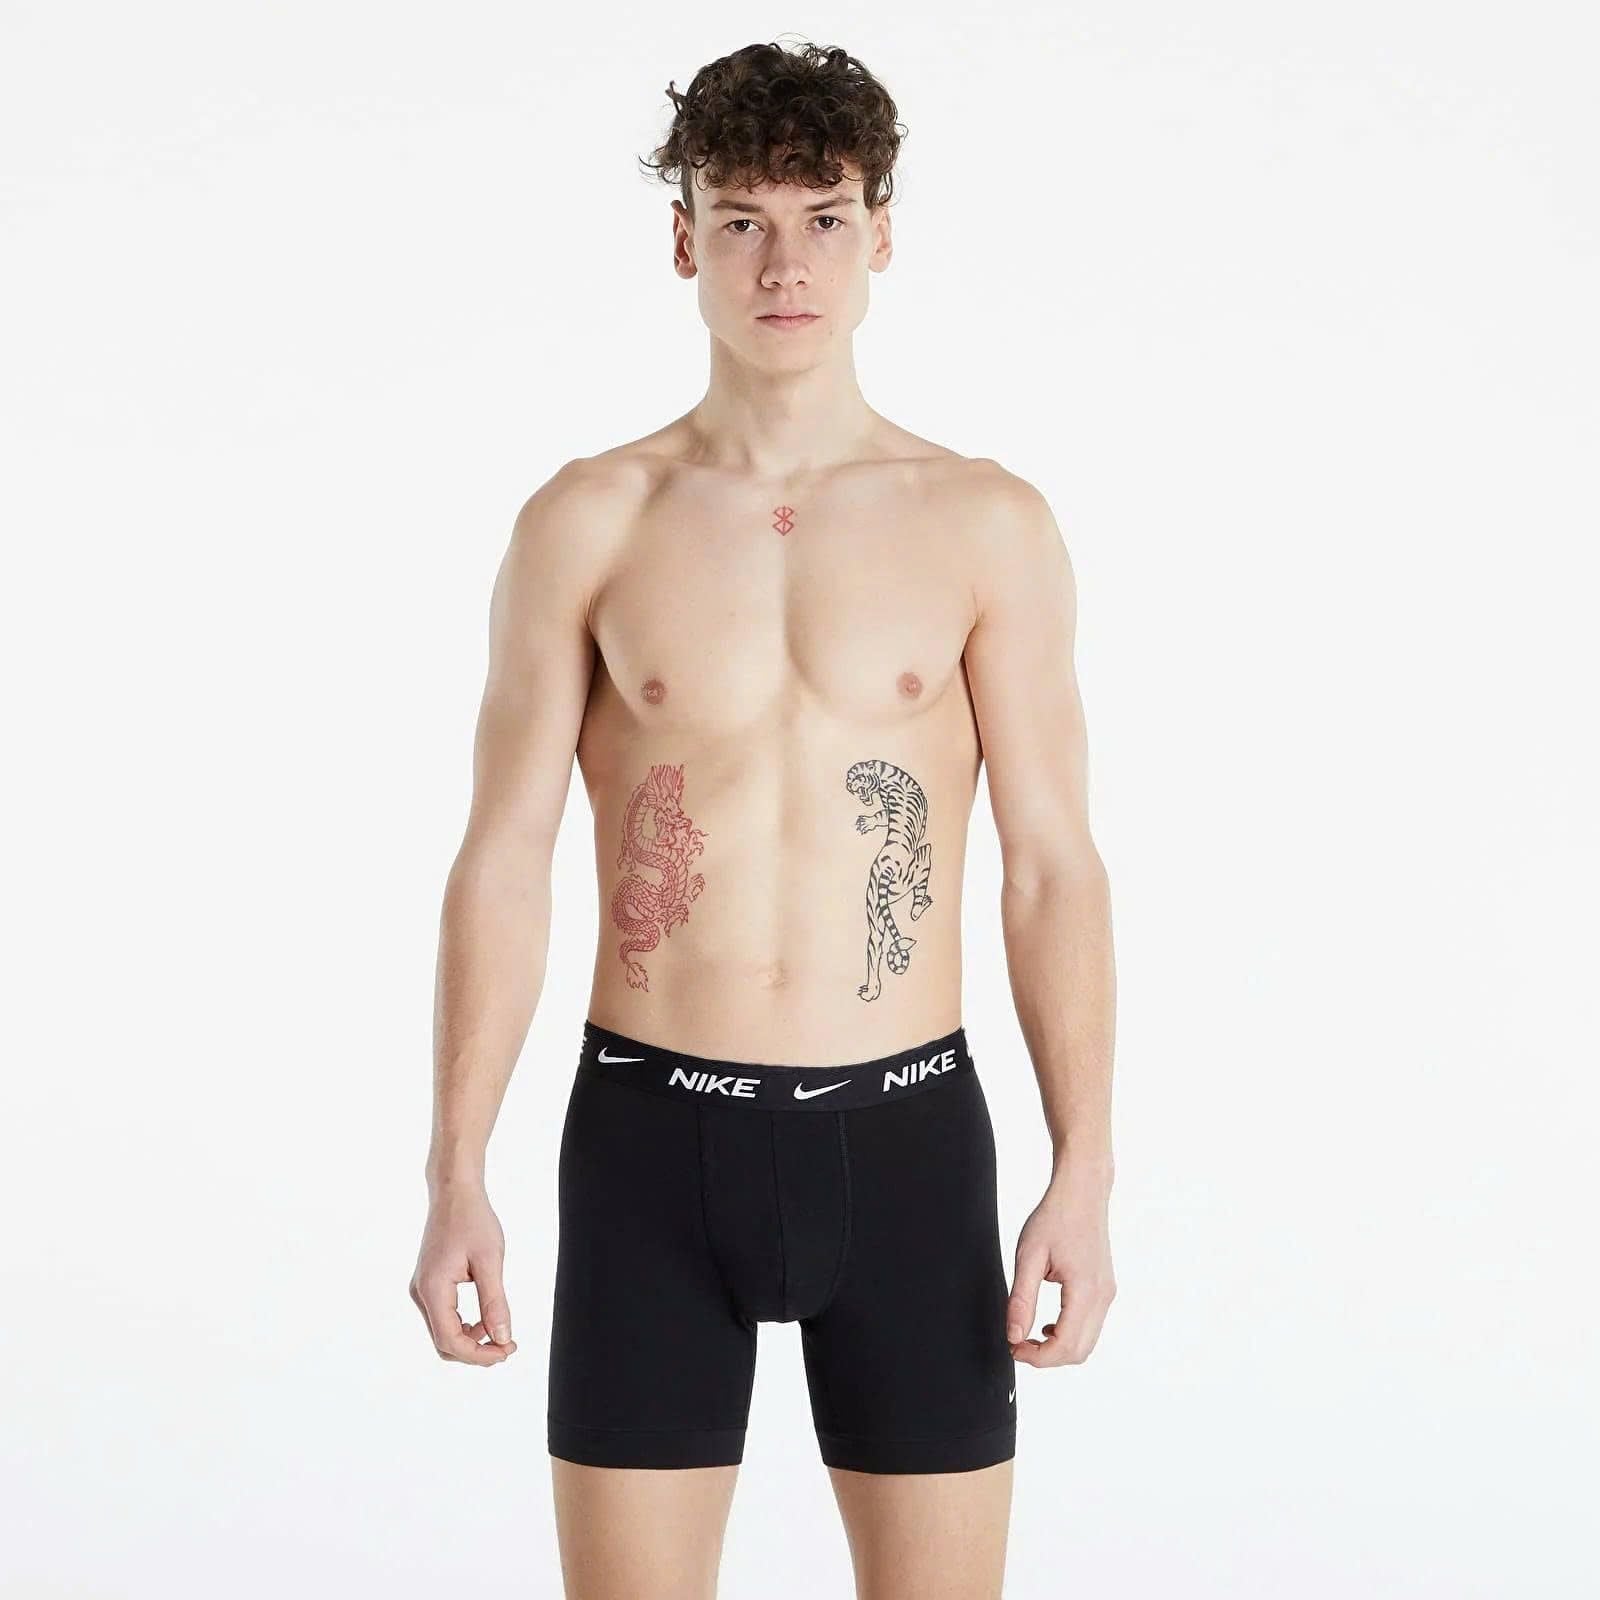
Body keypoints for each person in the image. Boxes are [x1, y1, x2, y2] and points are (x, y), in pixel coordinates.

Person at [408, 38, 1117, 1600]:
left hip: (908, 1139)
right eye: (741, 221)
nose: (784, 264)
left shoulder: (985, 522)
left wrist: (1085, 1169)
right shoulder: (591, 518)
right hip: (650, 1140)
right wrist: (456, 1171)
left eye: (823, 218)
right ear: (686, 242)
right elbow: (504, 855)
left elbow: (1052, 868)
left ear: (881, 237)